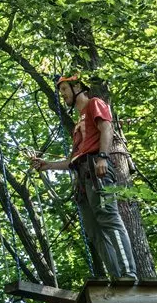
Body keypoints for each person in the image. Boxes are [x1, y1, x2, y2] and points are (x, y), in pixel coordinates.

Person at [29, 75, 136, 278]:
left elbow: (107, 128)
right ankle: (117, 277)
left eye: (64, 90)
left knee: (108, 218)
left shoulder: (94, 104)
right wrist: (46, 166)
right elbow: (72, 160)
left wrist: (103, 157)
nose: (63, 95)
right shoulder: (79, 125)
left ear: (77, 86)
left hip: (97, 169)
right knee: (94, 231)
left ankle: (128, 272)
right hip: (83, 176)